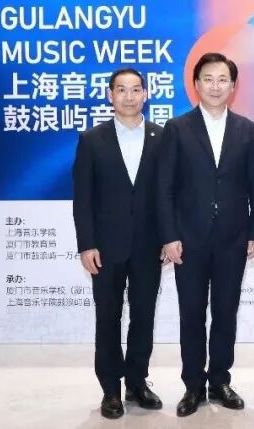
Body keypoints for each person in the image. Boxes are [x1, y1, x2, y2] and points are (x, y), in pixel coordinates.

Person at [157, 52, 254, 417]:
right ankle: (192, 385)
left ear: (233, 86)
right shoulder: (177, 128)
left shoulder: (246, 129)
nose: (215, 86)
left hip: (234, 237)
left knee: (225, 312)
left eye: (222, 80)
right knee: (191, 313)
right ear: (196, 84)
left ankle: (219, 381)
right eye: (208, 79)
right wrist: (169, 235)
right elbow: (165, 187)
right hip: (188, 239)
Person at [72, 67, 164, 419]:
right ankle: (110, 389)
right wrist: (87, 244)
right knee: (108, 317)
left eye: (136, 89)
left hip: (149, 245)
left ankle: (137, 383)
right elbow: (83, 198)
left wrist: (168, 237)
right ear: (110, 95)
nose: (129, 96)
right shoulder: (92, 139)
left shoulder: (161, 136)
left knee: (143, 316)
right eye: (121, 90)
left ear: (146, 94)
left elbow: (168, 193)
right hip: (106, 248)